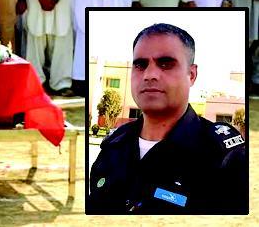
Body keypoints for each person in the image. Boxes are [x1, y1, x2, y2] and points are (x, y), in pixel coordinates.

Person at [88, 23, 247, 214]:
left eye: (165, 64)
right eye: (140, 65)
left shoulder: (223, 158)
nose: (149, 75)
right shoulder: (114, 146)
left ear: (192, 75)